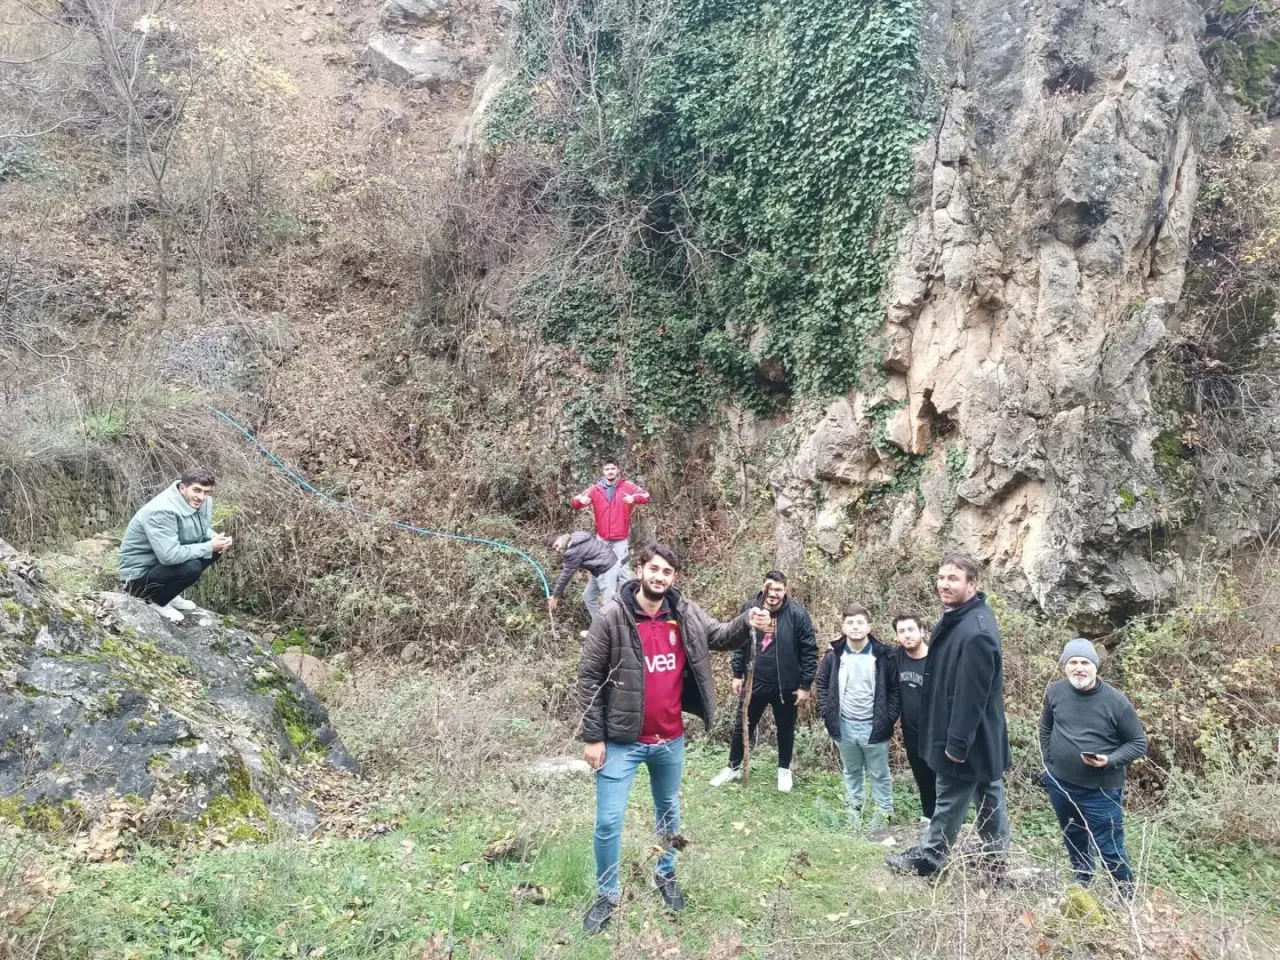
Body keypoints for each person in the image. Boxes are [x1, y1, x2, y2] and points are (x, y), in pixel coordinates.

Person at [576, 543, 770, 934]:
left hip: (669, 739)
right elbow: (588, 678)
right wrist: (593, 737)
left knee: (668, 813)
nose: (659, 576)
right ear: (640, 571)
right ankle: (607, 894)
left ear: (673, 577)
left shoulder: (683, 611)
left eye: (667, 571)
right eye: (654, 569)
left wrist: (748, 620)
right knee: (608, 822)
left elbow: (719, 635)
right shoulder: (612, 616)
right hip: (620, 741)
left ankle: (664, 875)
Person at [887, 554, 1011, 879]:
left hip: (967, 736)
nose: (944, 584)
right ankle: (995, 857)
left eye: (953, 578)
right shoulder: (958, 617)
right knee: (989, 792)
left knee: (950, 796)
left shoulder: (976, 632)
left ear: (973, 584)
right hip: (979, 736)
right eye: (942, 577)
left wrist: (957, 744)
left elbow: (971, 697)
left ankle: (931, 860)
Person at [1040, 638, 1148, 897]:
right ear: (1065, 666)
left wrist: (1109, 760)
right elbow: (1046, 728)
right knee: (1073, 835)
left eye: (1085, 662)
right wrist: (1049, 761)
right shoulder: (1055, 692)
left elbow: (1138, 742)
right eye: (1073, 662)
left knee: (1110, 846)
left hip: (1100, 790)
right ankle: (1083, 879)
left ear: (1095, 667)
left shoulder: (1115, 702)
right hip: (1060, 784)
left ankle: (1125, 896)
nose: (1079, 668)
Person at [710, 570, 817, 792]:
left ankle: (784, 771)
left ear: (785, 591)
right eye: (770, 588)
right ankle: (733, 768)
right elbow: (738, 641)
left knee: (785, 729)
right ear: (763, 587)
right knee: (742, 726)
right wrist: (737, 674)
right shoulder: (751, 610)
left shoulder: (798, 615)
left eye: (778, 589)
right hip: (753, 683)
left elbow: (809, 651)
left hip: (785, 685)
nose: (773, 593)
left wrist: (805, 685)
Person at [815, 604, 900, 836]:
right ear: (843, 627)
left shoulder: (883, 655)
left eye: (860, 622)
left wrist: (888, 718)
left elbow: (894, 691)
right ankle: (854, 810)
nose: (855, 627)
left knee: (880, 773)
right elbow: (822, 684)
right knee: (851, 771)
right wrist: (827, 711)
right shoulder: (834, 656)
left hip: (874, 726)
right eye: (850, 623)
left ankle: (884, 814)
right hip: (844, 725)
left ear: (869, 627)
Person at [117, 468, 232, 624]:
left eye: (206, 492)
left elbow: (201, 529)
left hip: (158, 567)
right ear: (183, 488)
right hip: (138, 576)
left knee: (215, 551)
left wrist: (216, 539)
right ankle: (155, 601)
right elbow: (169, 556)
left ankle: (169, 594)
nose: (201, 497)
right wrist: (209, 546)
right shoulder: (161, 510)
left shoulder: (197, 502)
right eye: (196, 490)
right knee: (192, 566)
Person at [571, 460, 650, 576]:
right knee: (600, 571)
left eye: (612, 469)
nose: (610, 472)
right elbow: (575, 503)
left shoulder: (627, 486)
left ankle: (624, 593)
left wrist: (633, 498)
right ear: (603, 472)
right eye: (607, 469)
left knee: (623, 570)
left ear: (618, 470)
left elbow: (646, 496)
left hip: (620, 539)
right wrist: (580, 501)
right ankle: (606, 593)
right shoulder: (595, 489)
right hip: (602, 539)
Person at [892, 612, 935, 824]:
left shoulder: (936, 658)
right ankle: (928, 818)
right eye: (901, 631)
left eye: (911, 629)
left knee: (943, 778)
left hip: (937, 730)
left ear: (922, 631)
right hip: (911, 730)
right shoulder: (897, 656)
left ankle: (948, 821)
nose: (907, 635)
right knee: (922, 777)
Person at [546, 531, 623, 622]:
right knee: (588, 596)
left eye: (556, 545)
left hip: (606, 568)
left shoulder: (571, 551)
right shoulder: (575, 536)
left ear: (560, 538)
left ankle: (612, 632)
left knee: (608, 605)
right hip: (600, 568)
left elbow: (565, 576)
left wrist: (555, 596)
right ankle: (598, 625)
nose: (557, 550)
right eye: (554, 549)